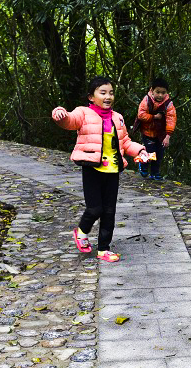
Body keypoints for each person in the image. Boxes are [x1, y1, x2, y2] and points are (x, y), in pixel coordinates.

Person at [52, 76, 148, 263]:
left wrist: (140, 150)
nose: (108, 96)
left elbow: (125, 142)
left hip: (113, 171)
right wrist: (60, 114)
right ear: (91, 97)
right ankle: (81, 231)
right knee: (95, 209)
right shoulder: (83, 113)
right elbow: (69, 121)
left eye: (111, 93)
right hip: (92, 169)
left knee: (109, 212)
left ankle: (104, 248)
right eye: (102, 92)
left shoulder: (117, 118)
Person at [135, 78, 177, 180]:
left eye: (163, 93)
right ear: (152, 90)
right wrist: (154, 117)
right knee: (149, 152)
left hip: (160, 133)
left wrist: (168, 136)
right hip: (147, 131)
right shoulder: (146, 100)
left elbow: (171, 118)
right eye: (157, 92)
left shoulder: (168, 104)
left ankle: (155, 172)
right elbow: (141, 114)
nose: (160, 95)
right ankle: (142, 164)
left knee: (159, 153)